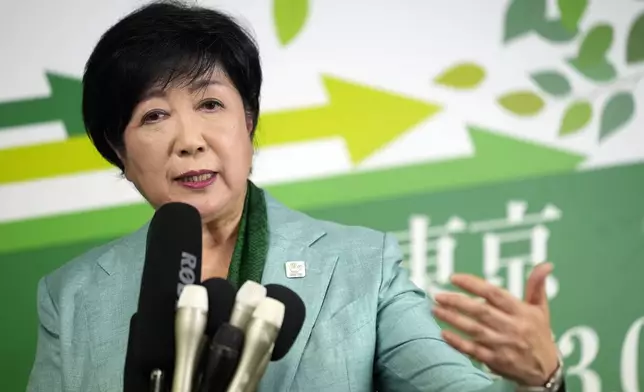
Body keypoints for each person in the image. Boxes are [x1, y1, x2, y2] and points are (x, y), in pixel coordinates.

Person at [27, 1, 566, 391]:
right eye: (154, 116)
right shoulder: (71, 298)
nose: (189, 140)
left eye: (210, 104)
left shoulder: (361, 265)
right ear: (119, 153)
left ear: (249, 124)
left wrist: (540, 380)